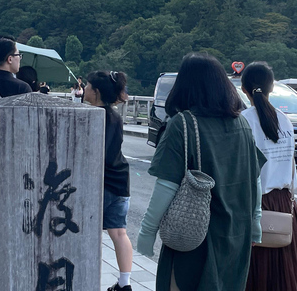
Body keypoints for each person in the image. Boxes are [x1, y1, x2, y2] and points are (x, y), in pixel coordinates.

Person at [137, 53, 265, 291]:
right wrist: (256, 222)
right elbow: (255, 180)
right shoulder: (242, 125)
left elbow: (166, 187)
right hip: (237, 236)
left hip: (194, 239)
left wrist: (147, 233)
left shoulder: (182, 124)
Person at [239, 62, 297, 291]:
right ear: (271, 88)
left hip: (254, 204)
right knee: (289, 270)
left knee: (254, 272)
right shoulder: (284, 120)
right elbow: (291, 171)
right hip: (284, 204)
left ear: (243, 89)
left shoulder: (242, 121)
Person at [84, 70, 134, 291]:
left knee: (88, 232)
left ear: (96, 92)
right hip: (120, 180)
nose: (83, 89)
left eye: (87, 86)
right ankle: (125, 284)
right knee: (119, 232)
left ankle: (87, 279)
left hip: (101, 182)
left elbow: (95, 153)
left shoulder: (95, 116)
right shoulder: (115, 115)